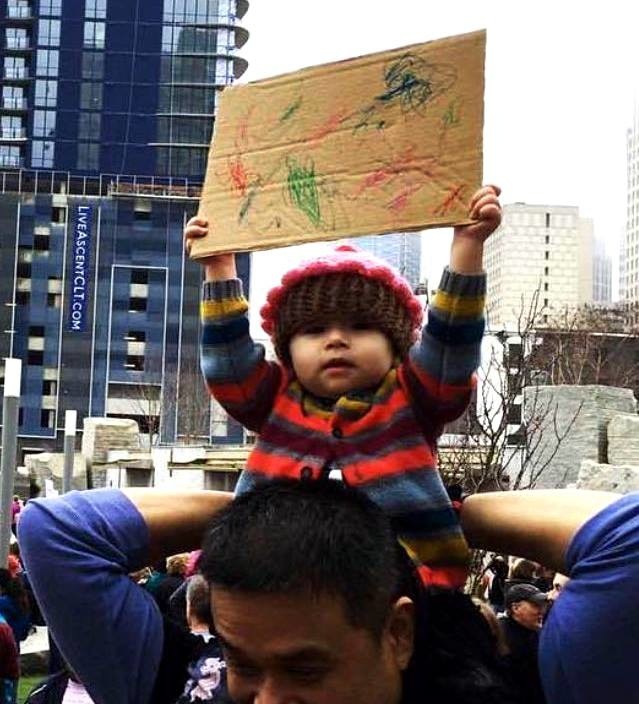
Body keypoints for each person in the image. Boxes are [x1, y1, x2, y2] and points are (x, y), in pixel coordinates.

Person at [16, 481, 639, 704]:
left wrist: (428, 511)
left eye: (306, 669)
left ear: (396, 634)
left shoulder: (527, 688)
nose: (266, 700)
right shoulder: (171, 683)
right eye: (240, 661)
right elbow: (54, 530)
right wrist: (271, 507)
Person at [184, 185, 502, 588]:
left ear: (396, 347)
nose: (336, 339)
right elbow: (227, 364)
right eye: (314, 330)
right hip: (272, 585)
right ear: (286, 350)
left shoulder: (413, 393)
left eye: (361, 326)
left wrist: (467, 247)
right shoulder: (275, 396)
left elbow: (451, 345)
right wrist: (219, 268)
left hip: (403, 589)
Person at [499, 584, 548, 704]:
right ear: (516, 608)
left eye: (542, 605)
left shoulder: (535, 633)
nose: (541, 610)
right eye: (536, 605)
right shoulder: (503, 638)